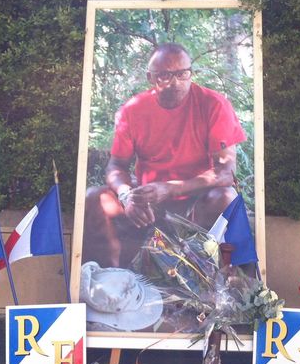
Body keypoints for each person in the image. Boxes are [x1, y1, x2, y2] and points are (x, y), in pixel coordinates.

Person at [84, 43, 246, 267]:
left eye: (182, 74)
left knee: (226, 197)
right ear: (150, 77)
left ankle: (205, 281)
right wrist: (126, 195)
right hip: (149, 201)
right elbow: (116, 166)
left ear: (191, 73)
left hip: (196, 198)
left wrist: (171, 188)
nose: (174, 82)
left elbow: (227, 173)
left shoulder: (214, 104)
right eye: (164, 76)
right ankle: (110, 284)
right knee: (94, 196)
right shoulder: (133, 110)